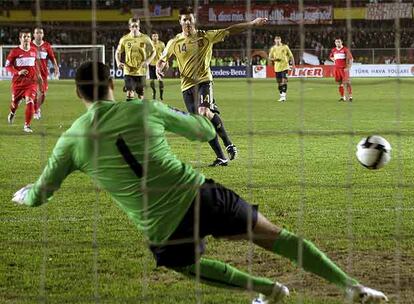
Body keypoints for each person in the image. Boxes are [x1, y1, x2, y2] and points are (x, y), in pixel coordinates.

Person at [12, 61, 388, 304]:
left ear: (78, 94)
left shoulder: (71, 141)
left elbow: (42, 194)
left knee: (185, 264)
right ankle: (350, 286)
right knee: (276, 236)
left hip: (163, 226)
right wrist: (206, 116)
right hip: (201, 195)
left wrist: (25, 193)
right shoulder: (146, 108)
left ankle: (268, 290)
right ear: (112, 85)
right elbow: (203, 131)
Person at [157, 7, 260, 166]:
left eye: (190, 19)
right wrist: (160, 68)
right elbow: (163, 59)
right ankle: (221, 157)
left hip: (204, 81)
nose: (187, 22)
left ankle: (228, 143)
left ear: (194, 21)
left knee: (203, 112)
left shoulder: (206, 36)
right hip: (186, 87)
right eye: (184, 19)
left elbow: (230, 30)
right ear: (180, 22)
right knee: (202, 124)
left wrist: (252, 23)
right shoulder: (174, 42)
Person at [6, 29, 42, 133]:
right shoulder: (14, 52)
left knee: (30, 101)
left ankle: (27, 125)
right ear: (20, 39)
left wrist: (39, 77)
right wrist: (18, 72)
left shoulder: (34, 51)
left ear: (31, 39)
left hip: (31, 83)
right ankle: (12, 113)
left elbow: (35, 65)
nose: (26, 39)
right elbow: (8, 66)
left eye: (28, 37)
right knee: (14, 104)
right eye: (24, 37)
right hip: (17, 84)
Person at [115, 17, 155, 100]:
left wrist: (147, 62)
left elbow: (153, 52)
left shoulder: (146, 39)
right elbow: (118, 52)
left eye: (136, 26)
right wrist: (118, 62)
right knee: (130, 93)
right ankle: (130, 112)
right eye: (132, 26)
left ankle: (140, 111)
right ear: (129, 27)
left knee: (141, 95)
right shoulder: (124, 39)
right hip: (128, 70)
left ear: (139, 27)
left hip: (141, 71)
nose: (134, 28)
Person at [31, 27, 60, 120]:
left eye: (41, 33)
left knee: (42, 94)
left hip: (43, 74)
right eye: (37, 33)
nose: (39, 34)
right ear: (34, 34)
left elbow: (52, 57)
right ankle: (35, 110)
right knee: (34, 93)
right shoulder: (29, 45)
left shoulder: (47, 46)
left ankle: (37, 108)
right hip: (32, 73)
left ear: (43, 35)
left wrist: (56, 67)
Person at [268, 35, 295, 102]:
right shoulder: (273, 48)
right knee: (279, 83)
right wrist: (275, 59)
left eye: (278, 39)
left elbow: (291, 56)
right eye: (276, 39)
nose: (277, 40)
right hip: (277, 68)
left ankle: (283, 96)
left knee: (284, 81)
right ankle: (281, 95)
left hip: (285, 67)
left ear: (280, 40)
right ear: (274, 40)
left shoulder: (285, 47)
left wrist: (293, 65)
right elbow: (269, 58)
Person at [148, 31, 165, 100]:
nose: (155, 37)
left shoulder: (162, 44)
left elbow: (165, 54)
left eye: (156, 36)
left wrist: (166, 63)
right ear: (151, 37)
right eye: (154, 36)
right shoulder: (149, 44)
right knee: (152, 80)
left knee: (160, 80)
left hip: (159, 65)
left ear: (158, 36)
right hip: (151, 64)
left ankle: (161, 94)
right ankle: (154, 91)